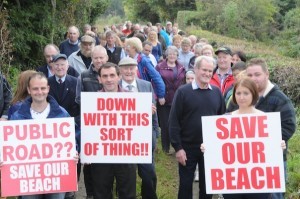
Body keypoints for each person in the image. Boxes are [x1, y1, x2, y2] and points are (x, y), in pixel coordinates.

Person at [201, 77, 287, 199]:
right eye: (238, 93)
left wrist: (279, 146)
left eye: (246, 93)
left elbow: (269, 151)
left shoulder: (265, 119)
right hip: (232, 182)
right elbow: (220, 150)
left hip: (258, 182)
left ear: (253, 94)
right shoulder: (225, 119)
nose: (241, 97)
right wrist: (208, 148)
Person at [9, 72, 74, 199]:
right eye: (35, 88)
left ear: (48, 89)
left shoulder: (62, 113)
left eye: (43, 88)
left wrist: (74, 151)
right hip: (29, 176)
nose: (40, 92)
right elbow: (11, 145)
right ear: (29, 90)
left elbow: (72, 139)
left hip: (56, 175)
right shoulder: (17, 116)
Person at [169, 56, 226, 199]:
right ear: (195, 70)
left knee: (207, 187)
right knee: (186, 185)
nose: (207, 73)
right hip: (187, 147)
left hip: (210, 148)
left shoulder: (217, 92)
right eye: (204, 70)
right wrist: (178, 148)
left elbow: (223, 120)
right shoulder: (183, 92)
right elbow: (174, 121)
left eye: (210, 71)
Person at [245, 58, 296, 199]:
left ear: (267, 74)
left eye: (257, 74)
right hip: (247, 161)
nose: (253, 78)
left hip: (273, 161)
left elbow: (289, 124)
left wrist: (268, 141)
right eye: (249, 75)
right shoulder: (243, 96)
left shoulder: (279, 98)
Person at [90, 62, 136, 199]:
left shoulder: (132, 98)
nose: (109, 79)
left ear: (118, 76)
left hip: (126, 154)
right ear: (99, 79)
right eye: (105, 76)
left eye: (112, 75)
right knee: (101, 194)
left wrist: (146, 112)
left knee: (128, 194)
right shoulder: (92, 100)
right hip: (101, 156)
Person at [118, 57, 159, 199]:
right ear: (120, 70)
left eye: (131, 67)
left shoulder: (146, 85)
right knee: (126, 177)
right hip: (122, 139)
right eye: (125, 68)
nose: (128, 71)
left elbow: (154, 113)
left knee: (149, 174)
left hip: (144, 138)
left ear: (136, 69)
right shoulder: (113, 86)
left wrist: (154, 133)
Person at [75, 45, 108, 199]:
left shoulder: (112, 73)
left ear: (106, 58)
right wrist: (95, 103)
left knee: (106, 159)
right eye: (96, 58)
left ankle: (105, 191)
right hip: (90, 124)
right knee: (89, 161)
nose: (99, 60)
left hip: (109, 125)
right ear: (92, 59)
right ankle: (90, 193)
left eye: (101, 57)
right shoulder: (84, 75)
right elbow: (78, 98)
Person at [155, 46, 185, 154]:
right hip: (164, 99)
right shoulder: (159, 67)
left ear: (177, 55)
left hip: (178, 99)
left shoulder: (181, 67)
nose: (172, 56)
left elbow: (184, 82)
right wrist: (160, 96)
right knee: (165, 124)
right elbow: (155, 82)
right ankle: (165, 148)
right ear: (166, 55)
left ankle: (178, 147)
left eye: (174, 54)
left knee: (178, 123)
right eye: (170, 54)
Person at [124, 37, 165, 102]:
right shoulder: (126, 59)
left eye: (128, 46)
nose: (126, 48)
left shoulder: (144, 60)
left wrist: (161, 95)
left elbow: (156, 77)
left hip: (142, 92)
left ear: (134, 47)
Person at [48, 54, 80, 126]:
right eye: (57, 65)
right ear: (52, 66)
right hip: (51, 124)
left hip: (73, 124)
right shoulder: (46, 83)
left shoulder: (76, 82)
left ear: (68, 67)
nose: (59, 67)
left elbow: (81, 106)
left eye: (62, 64)